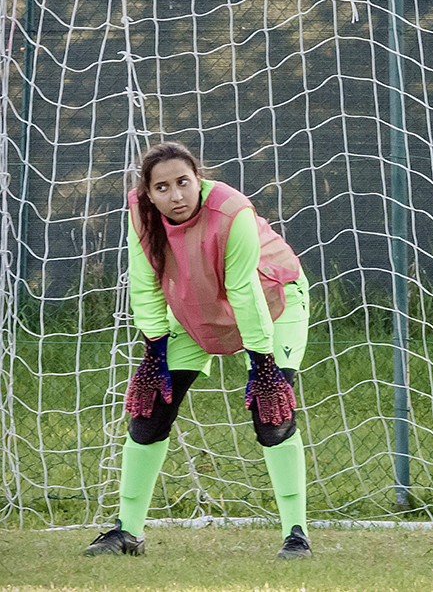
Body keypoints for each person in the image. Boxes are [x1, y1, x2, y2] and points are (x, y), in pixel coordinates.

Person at [83, 141, 312, 559]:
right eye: (163, 188)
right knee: (148, 412)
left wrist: (262, 363)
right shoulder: (140, 212)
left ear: (199, 179)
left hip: (272, 304)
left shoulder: (232, 211)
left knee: (272, 416)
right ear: (148, 193)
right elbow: (145, 283)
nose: (176, 196)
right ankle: (126, 533)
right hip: (197, 306)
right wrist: (154, 349)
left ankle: (296, 536)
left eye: (184, 183)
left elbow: (244, 292)